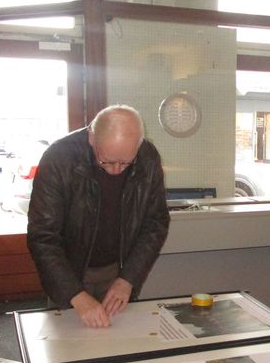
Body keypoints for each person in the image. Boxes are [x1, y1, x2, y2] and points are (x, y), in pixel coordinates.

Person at [27, 104, 170, 327]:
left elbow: (155, 223)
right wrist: (75, 294)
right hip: (68, 272)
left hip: (118, 271)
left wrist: (128, 279)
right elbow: (43, 236)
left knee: (121, 340)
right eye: (107, 161)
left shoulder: (147, 157)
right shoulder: (59, 158)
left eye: (126, 162)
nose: (116, 170)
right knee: (68, 340)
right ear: (92, 137)